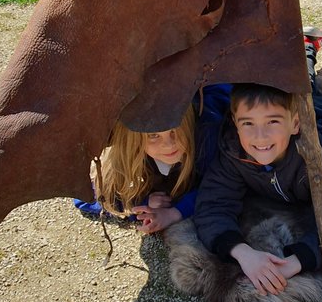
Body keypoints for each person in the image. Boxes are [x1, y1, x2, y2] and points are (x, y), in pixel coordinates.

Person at [194, 29, 322, 295]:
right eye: (248, 123)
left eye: (272, 122)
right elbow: (212, 206)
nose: (260, 136)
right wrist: (243, 253)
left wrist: (295, 262)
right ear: (235, 125)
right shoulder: (232, 149)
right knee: (304, 84)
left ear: (295, 123)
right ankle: (308, 45)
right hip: (293, 111)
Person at [74, 84, 230, 234]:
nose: (169, 145)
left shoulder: (206, 139)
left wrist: (176, 212)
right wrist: (141, 203)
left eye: (175, 131)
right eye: (153, 136)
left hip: (218, 87)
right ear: (133, 140)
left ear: (188, 125)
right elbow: (85, 199)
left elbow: (222, 185)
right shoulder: (132, 152)